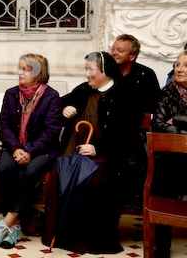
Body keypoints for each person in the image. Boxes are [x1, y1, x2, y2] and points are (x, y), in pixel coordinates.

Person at [53, 51, 143, 254]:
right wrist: (65, 109)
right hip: (78, 151)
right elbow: (58, 104)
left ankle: (91, 239)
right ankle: (65, 235)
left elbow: (128, 135)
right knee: (65, 171)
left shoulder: (125, 94)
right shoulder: (84, 90)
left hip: (113, 156)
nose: (86, 74)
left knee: (95, 178)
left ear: (105, 71)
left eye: (90, 69)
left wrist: (98, 149)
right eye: (85, 69)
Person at [0, 54, 63, 249]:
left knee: (30, 172)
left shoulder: (51, 96)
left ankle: (7, 222)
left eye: (25, 69)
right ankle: (15, 228)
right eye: (19, 68)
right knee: (5, 168)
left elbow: (51, 131)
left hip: (42, 149)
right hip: (14, 147)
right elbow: (4, 124)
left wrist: (29, 151)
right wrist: (15, 148)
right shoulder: (11, 93)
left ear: (39, 74)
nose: (19, 72)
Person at [110, 34, 160, 207]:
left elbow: (155, 108)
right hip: (110, 130)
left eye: (120, 50)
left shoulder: (145, 74)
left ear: (132, 55)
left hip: (137, 132)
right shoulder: (106, 73)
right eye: (113, 49)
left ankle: (136, 199)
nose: (114, 53)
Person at [150, 50, 187, 258]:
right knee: (163, 178)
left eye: (185, 65)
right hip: (170, 157)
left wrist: (179, 120)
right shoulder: (167, 93)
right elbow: (158, 125)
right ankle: (161, 247)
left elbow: (170, 123)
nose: (179, 69)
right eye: (177, 64)